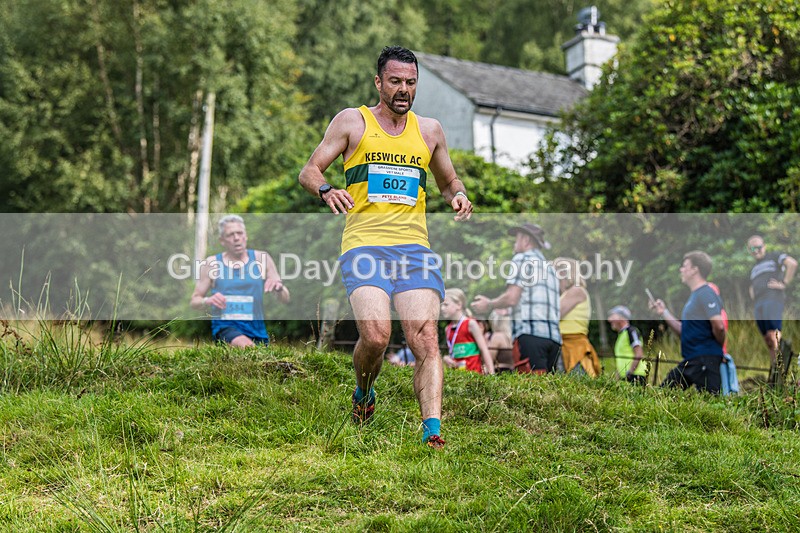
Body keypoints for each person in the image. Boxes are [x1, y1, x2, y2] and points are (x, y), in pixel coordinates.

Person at [298, 46, 473, 449]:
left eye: (411, 83)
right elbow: (310, 170)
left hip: (414, 249)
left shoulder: (429, 131)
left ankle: (433, 432)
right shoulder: (352, 122)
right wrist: (326, 189)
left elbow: (449, 182)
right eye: (395, 81)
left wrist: (459, 196)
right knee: (376, 337)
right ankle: (363, 392)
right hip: (364, 246)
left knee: (426, 339)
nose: (403, 90)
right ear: (379, 82)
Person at [471, 223, 561, 375]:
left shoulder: (522, 259)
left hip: (530, 335)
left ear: (526, 240)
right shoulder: (550, 268)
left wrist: (489, 304)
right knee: (549, 390)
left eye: (516, 239)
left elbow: (512, 298)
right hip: (554, 339)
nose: (514, 243)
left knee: (532, 391)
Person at [190, 215, 290, 347]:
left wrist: (279, 288)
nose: (236, 238)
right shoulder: (212, 263)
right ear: (222, 240)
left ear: (246, 236)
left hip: (257, 330)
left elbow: (285, 299)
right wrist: (207, 300)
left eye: (239, 233)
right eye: (230, 235)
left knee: (259, 359)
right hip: (225, 329)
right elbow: (194, 301)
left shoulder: (261, 258)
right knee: (249, 349)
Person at [649, 251, 726, 394]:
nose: (681, 269)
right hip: (693, 360)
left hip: (705, 360)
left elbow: (719, 327)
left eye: (685, 266)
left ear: (695, 270)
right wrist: (663, 312)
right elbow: (684, 330)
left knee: (712, 404)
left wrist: (716, 350)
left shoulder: (706, 293)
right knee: (664, 394)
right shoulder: (694, 297)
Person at [746, 235, 797, 382]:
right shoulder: (754, 268)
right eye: (753, 248)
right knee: (767, 339)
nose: (756, 251)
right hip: (759, 303)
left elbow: (792, 263)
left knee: (773, 334)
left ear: (765, 246)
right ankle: (774, 369)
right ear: (749, 250)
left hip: (772, 299)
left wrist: (784, 283)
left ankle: (780, 371)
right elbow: (751, 285)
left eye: (759, 247)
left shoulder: (774, 256)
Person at [555, 257, 601, 377]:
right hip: (565, 346)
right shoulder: (565, 294)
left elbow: (555, 314)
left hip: (575, 348)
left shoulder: (577, 290)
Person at [440, 289, 495, 374]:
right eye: (441, 305)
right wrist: (446, 358)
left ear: (458, 305)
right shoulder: (448, 329)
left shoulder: (471, 324)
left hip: (474, 376)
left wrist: (492, 375)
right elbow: (452, 352)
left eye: (446, 305)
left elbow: (484, 350)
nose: (442, 308)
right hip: (458, 378)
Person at [607, 305, 647, 385]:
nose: (609, 320)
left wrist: (630, 372)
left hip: (635, 375)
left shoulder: (631, 331)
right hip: (626, 377)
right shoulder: (621, 335)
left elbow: (638, 353)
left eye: (613, 316)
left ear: (621, 317)